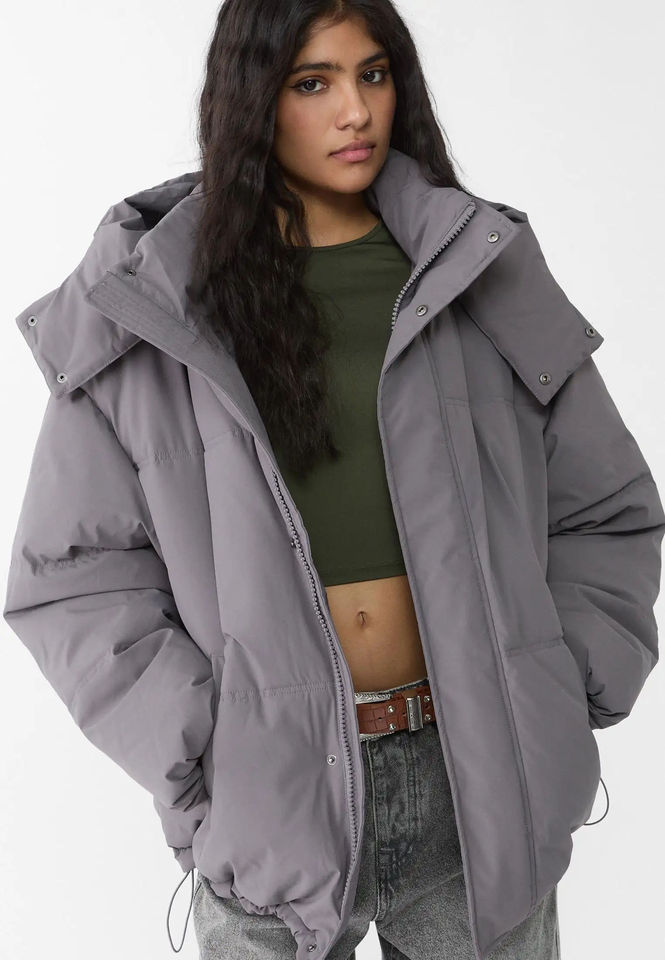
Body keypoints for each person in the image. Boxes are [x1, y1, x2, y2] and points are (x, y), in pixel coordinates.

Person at [4, 1, 664, 959]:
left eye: (373, 74)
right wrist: (197, 748)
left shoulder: (472, 268)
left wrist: (556, 685)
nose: (354, 111)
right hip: (268, 794)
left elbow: (605, 507)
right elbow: (72, 571)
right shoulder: (153, 297)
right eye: (311, 83)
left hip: (477, 780)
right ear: (251, 98)